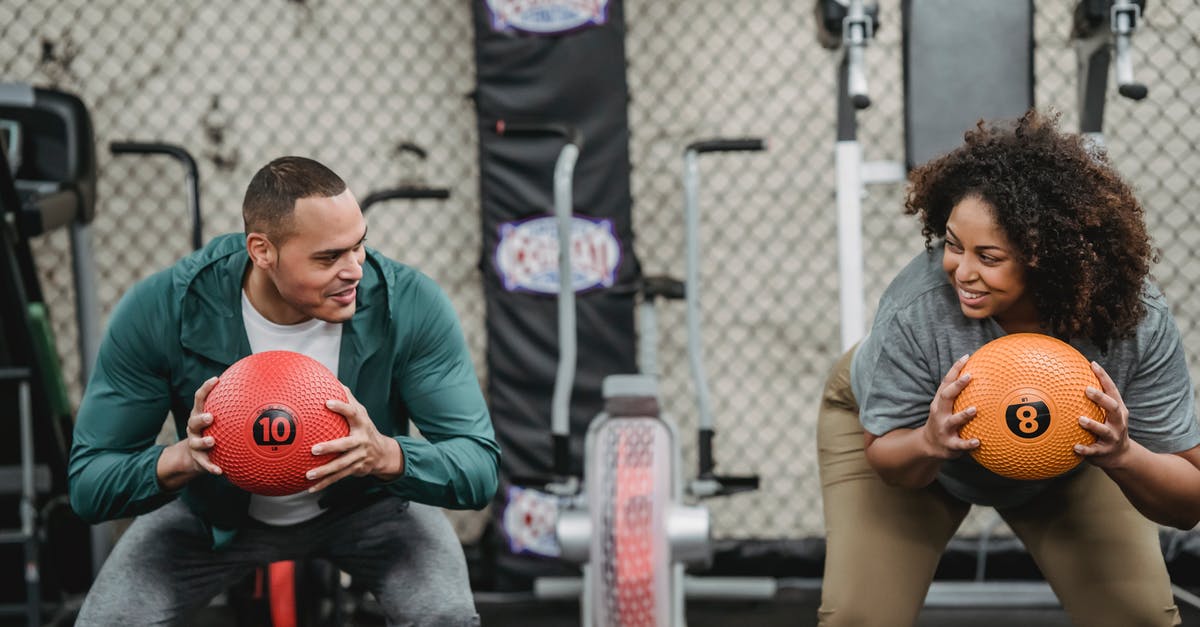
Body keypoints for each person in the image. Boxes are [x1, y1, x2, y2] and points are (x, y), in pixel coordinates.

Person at [68, 156, 499, 626]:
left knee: (448, 616)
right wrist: (180, 460)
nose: (355, 269)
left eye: (359, 246)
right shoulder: (164, 309)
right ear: (262, 250)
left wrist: (387, 455)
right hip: (210, 512)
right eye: (329, 257)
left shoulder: (409, 303)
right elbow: (90, 485)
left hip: (367, 507)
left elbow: (478, 468)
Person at [816, 109, 1200, 627]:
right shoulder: (920, 307)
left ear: (1047, 259)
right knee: (858, 619)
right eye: (952, 245)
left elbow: (1188, 502)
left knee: (1140, 619)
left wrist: (1124, 454)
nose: (962, 272)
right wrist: (929, 441)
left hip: (1074, 462)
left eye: (989, 257)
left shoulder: (1130, 321)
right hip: (908, 446)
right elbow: (886, 457)